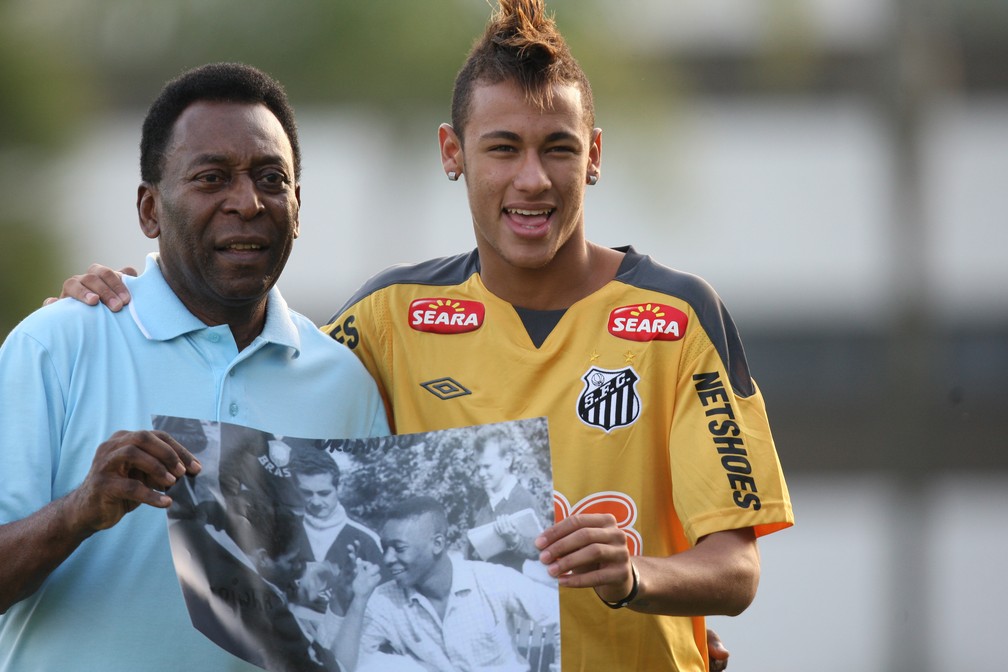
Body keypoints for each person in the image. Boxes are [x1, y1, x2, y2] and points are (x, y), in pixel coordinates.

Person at [52, 1, 791, 668]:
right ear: (452, 153)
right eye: (503, 148)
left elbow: (735, 570)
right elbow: (259, 371)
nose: (532, 178)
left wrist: (640, 578)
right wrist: (142, 290)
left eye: (557, 148)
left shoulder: (675, 316)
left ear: (593, 155)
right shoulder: (390, 317)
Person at [0, 62, 389, 672]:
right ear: (150, 210)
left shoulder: (344, 383)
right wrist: (80, 511)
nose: (248, 202)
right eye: (211, 178)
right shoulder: (55, 347)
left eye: (271, 178)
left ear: (297, 206)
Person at [328, 496, 559, 672]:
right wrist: (356, 599)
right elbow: (342, 667)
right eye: (384, 547)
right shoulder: (385, 600)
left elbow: (561, 613)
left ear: (437, 544)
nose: (387, 558)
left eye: (398, 548)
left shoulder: (491, 580)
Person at [287, 446, 388, 615]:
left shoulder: (367, 540)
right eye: (307, 493)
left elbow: (385, 606)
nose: (316, 502)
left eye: (324, 493)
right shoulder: (282, 532)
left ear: (338, 488)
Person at [468, 425, 542, 573]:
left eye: (487, 466)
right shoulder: (479, 501)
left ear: (507, 460)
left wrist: (515, 540)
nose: (481, 473)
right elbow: (470, 551)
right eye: (478, 467)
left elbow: (540, 550)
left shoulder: (524, 500)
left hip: (509, 589)